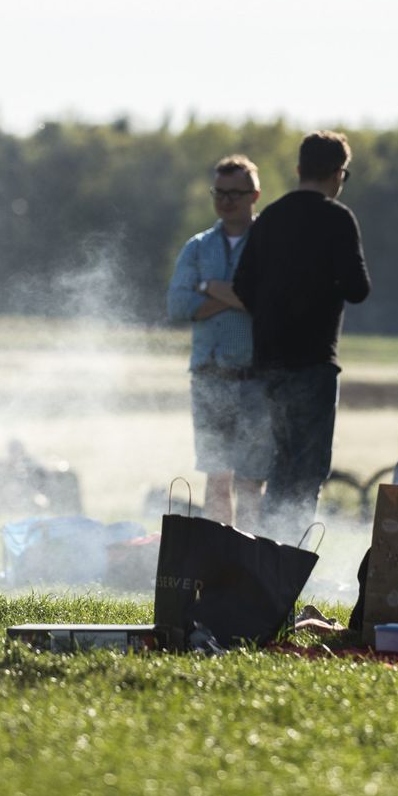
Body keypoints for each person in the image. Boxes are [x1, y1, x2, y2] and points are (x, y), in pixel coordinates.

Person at [233, 131, 371, 538]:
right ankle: (286, 555)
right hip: (313, 363)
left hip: (266, 364)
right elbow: (358, 289)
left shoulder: (271, 218)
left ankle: (259, 553)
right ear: (339, 174)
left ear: (298, 169)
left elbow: (243, 286)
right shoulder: (338, 218)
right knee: (303, 473)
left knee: (270, 464)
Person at [166, 155, 271, 528]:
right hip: (208, 376)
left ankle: (249, 555)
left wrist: (207, 288)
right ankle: (217, 555)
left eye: (236, 194)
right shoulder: (197, 247)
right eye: (220, 193)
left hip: (253, 377)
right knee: (215, 475)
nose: (226, 201)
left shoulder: (267, 244)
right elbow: (177, 305)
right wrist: (232, 296)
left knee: (249, 478)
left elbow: (265, 302)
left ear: (254, 194)